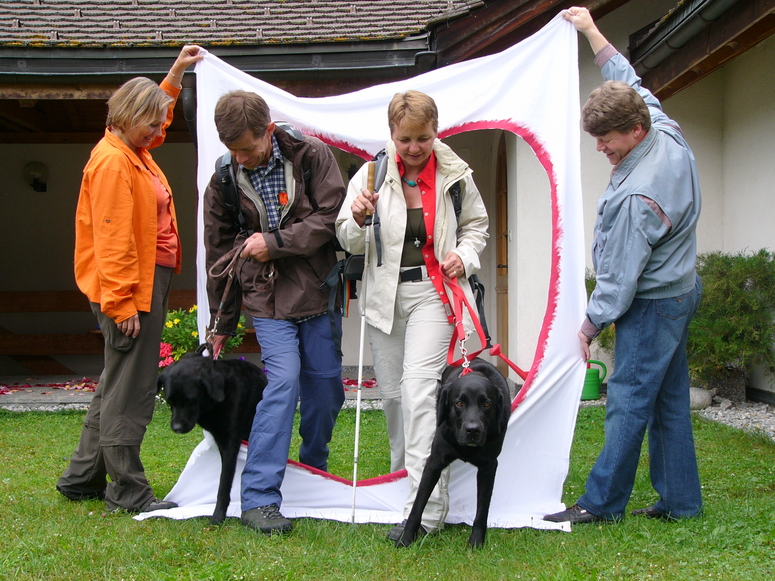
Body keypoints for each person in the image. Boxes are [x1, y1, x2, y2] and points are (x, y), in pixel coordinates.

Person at [545, 7, 703, 524]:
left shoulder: (640, 193)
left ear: (634, 131)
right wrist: (591, 30)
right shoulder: (660, 124)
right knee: (669, 402)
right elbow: (626, 79)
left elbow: (619, 279)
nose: (600, 149)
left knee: (628, 402)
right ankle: (680, 503)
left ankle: (601, 503)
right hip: (680, 290)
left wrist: (589, 326)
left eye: (607, 141)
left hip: (654, 304)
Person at [57, 45, 204, 513]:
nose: (160, 130)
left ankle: (81, 477)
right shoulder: (113, 163)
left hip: (143, 281)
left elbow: (152, 115)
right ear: (129, 116)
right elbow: (113, 242)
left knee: (115, 381)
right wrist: (122, 305)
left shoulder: (130, 149)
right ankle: (127, 491)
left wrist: (176, 74)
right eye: (153, 123)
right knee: (132, 387)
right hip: (130, 287)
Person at [336, 90, 489, 540]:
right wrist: (360, 219)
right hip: (384, 296)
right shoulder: (370, 174)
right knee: (396, 399)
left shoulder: (455, 173)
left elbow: (476, 226)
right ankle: (409, 486)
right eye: (405, 139)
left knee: (421, 393)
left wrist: (464, 254)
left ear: (435, 131)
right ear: (391, 135)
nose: (414, 148)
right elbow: (348, 240)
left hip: (433, 292)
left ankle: (423, 513)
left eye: (423, 137)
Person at [204, 90, 347, 535]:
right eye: (233, 151)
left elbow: (331, 216)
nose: (241, 158)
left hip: (318, 291)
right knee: (282, 381)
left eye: (248, 147)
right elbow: (219, 253)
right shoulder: (223, 182)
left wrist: (275, 243)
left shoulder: (312, 155)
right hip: (265, 299)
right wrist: (222, 323)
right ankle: (260, 498)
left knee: (324, 391)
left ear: (268, 131)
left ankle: (312, 467)